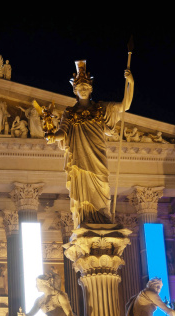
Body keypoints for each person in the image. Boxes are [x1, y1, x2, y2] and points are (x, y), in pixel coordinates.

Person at [46, 61, 134, 227]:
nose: (84, 90)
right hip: (80, 158)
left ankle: (103, 217)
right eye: (80, 87)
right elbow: (62, 133)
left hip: (97, 155)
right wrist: (52, 136)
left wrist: (130, 82)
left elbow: (125, 105)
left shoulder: (101, 109)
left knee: (103, 185)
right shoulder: (69, 113)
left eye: (86, 87)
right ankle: (85, 219)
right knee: (84, 191)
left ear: (91, 89)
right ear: (75, 91)